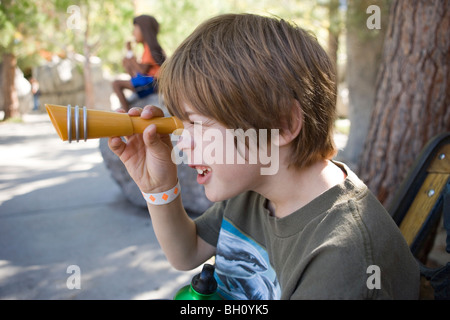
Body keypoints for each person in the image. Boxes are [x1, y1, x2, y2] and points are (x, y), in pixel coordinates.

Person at [108, 14, 420, 299]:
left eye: (198, 124)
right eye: (181, 124)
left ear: (283, 124)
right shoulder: (254, 190)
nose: (181, 141)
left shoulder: (342, 257)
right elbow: (186, 253)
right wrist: (158, 188)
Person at [112, 15, 166, 111]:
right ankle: (126, 109)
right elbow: (136, 74)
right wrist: (129, 62)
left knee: (116, 84)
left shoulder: (151, 49)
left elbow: (142, 71)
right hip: (148, 82)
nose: (133, 33)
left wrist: (130, 54)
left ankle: (125, 111)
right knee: (127, 64)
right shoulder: (146, 49)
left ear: (144, 30)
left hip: (153, 84)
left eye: (135, 29)